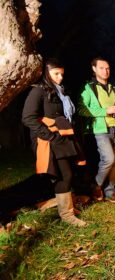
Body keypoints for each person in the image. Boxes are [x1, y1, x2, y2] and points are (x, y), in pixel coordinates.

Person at [22, 59, 86, 227]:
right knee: (64, 175)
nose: (60, 78)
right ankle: (66, 215)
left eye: (62, 74)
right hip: (49, 140)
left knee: (68, 173)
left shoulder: (60, 92)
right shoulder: (38, 91)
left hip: (63, 137)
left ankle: (66, 207)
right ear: (46, 73)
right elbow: (28, 118)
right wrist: (50, 136)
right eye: (56, 73)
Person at [78, 57, 115, 203]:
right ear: (94, 69)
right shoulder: (89, 88)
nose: (106, 71)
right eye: (101, 68)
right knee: (109, 159)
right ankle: (97, 185)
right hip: (100, 130)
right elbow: (81, 109)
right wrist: (105, 111)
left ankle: (110, 190)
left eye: (107, 68)